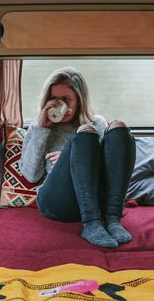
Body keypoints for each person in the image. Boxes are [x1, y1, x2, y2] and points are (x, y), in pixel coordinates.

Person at [19, 67, 136, 248]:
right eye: (53, 99)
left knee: (119, 128)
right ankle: (91, 224)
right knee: (83, 134)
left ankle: (113, 219)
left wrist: (75, 159)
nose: (59, 105)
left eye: (66, 100)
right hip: (58, 201)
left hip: (96, 198)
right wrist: (43, 128)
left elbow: (109, 171)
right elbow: (31, 175)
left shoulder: (97, 123)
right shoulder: (38, 127)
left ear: (79, 100)